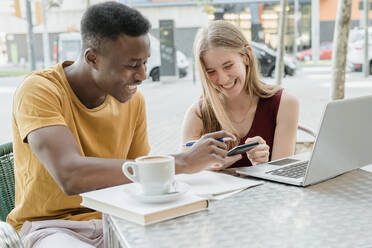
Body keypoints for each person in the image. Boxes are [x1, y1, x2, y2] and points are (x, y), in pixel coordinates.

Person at [7, 3, 236, 247]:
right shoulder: (40, 90)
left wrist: (203, 171)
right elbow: (70, 175)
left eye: (145, 63)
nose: (143, 75)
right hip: (52, 228)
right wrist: (183, 162)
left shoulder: (133, 100)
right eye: (132, 64)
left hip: (118, 220)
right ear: (92, 58)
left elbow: (138, 179)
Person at [182, 20, 299, 170]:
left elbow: (284, 180)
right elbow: (185, 178)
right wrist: (207, 168)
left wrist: (263, 166)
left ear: (247, 56)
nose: (223, 79)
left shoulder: (284, 103)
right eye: (211, 72)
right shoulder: (198, 113)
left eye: (228, 66)